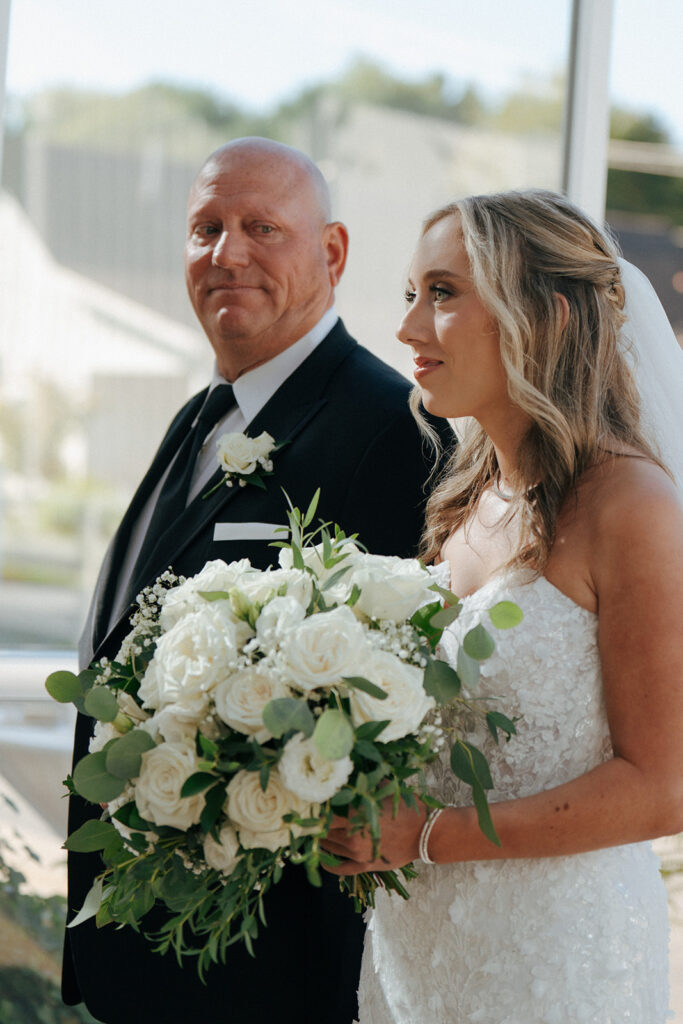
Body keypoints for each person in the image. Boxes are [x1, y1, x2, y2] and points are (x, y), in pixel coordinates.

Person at [63, 137, 452, 1024]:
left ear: (333, 252)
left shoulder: (391, 432)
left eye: (261, 227)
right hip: (141, 952)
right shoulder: (196, 417)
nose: (225, 254)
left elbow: (402, 721)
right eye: (206, 228)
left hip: (259, 967)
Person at [323, 189, 683, 1023]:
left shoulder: (629, 507)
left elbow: (664, 785)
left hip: (553, 958)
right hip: (421, 942)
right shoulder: (471, 496)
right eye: (410, 295)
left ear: (547, 315)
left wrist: (423, 838)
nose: (410, 328)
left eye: (444, 294)